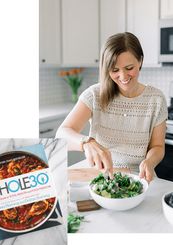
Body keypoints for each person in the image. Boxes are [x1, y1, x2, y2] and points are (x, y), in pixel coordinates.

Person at [56, 32, 167, 183]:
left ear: (140, 61)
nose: (123, 76)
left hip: (139, 177)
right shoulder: (94, 95)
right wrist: (86, 142)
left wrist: (149, 162)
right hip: (101, 176)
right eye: (115, 70)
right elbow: (61, 134)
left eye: (129, 68)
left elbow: (158, 146)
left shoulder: (156, 99)